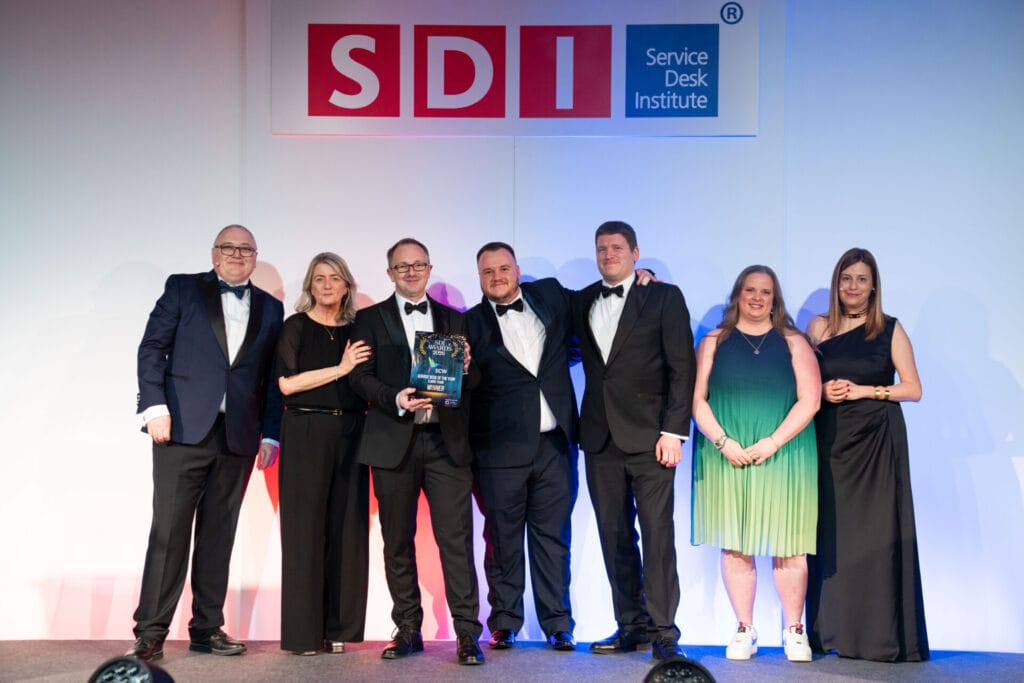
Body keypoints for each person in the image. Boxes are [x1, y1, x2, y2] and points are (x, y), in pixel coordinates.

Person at [129, 224, 283, 662]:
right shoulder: (182, 289)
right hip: (179, 430)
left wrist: (270, 433)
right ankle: (151, 632)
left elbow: (272, 381)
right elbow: (151, 348)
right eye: (228, 247)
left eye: (245, 249)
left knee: (219, 536)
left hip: (238, 436)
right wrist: (154, 408)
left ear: (255, 257)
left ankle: (206, 628)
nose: (237, 254)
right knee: (169, 533)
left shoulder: (272, 309)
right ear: (214, 254)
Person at [348, 238, 484, 666]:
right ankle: (408, 628)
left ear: (429, 269)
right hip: (393, 442)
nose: (410, 272)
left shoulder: (454, 320)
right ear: (389, 273)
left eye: (418, 265)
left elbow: (476, 381)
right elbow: (359, 378)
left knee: (456, 542)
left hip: (446, 443)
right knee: (397, 542)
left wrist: (466, 368)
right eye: (401, 266)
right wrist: (394, 397)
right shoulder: (368, 319)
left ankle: (467, 634)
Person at [570, 221, 695, 661]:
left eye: (617, 248)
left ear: (635, 253)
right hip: (599, 439)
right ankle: (632, 625)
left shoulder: (663, 296)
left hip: (651, 438)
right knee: (614, 536)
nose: (608, 255)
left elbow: (683, 367)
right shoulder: (582, 299)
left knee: (659, 538)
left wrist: (674, 432)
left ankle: (665, 632)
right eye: (601, 249)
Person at [690, 265, 820, 663]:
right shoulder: (713, 340)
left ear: (775, 298)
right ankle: (744, 628)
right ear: (738, 294)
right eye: (751, 290)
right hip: (725, 454)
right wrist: (723, 442)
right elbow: (696, 401)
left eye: (766, 292)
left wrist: (772, 442)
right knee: (735, 545)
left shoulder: (795, 341)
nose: (758, 298)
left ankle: (794, 629)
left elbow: (810, 400)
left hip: (785, 452)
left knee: (790, 547)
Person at [805, 247, 929, 662]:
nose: (853, 287)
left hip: (877, 443)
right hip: (831, 440)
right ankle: (831, 632)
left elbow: (912, 388)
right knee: (831, 535)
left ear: (873, 284)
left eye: (861, 279)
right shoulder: (818, 328)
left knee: (876, 536)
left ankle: (881, 638)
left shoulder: (890, 329)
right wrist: (822, 391)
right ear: (836, 283)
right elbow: (802, 383)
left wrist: (866, 391)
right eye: (845, 278)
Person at [465, 242, 579, 652]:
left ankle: (558, 624)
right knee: (502, 541)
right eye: (487, 272)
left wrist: (643, 282)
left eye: (503, 268)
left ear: (517, 270)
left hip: (555, 445)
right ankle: (505, 622)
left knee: (553, 539)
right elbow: (462, 387)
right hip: (498, 452)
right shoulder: (468, 325)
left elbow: (593, 302)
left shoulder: (549, 296)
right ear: (479, 277)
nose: (497, 277)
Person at [276, 252, 372, 655]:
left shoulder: (359, 328)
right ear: (309, 286)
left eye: (335, 278)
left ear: (347, 285)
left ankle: (338, 629)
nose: (328, 285)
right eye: (319, 279)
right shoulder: (295, 326)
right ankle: (302, 635)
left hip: (353, 431)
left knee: (347, 531)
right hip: (305, 429)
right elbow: (287, 384)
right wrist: (342, 367)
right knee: (304, 532)